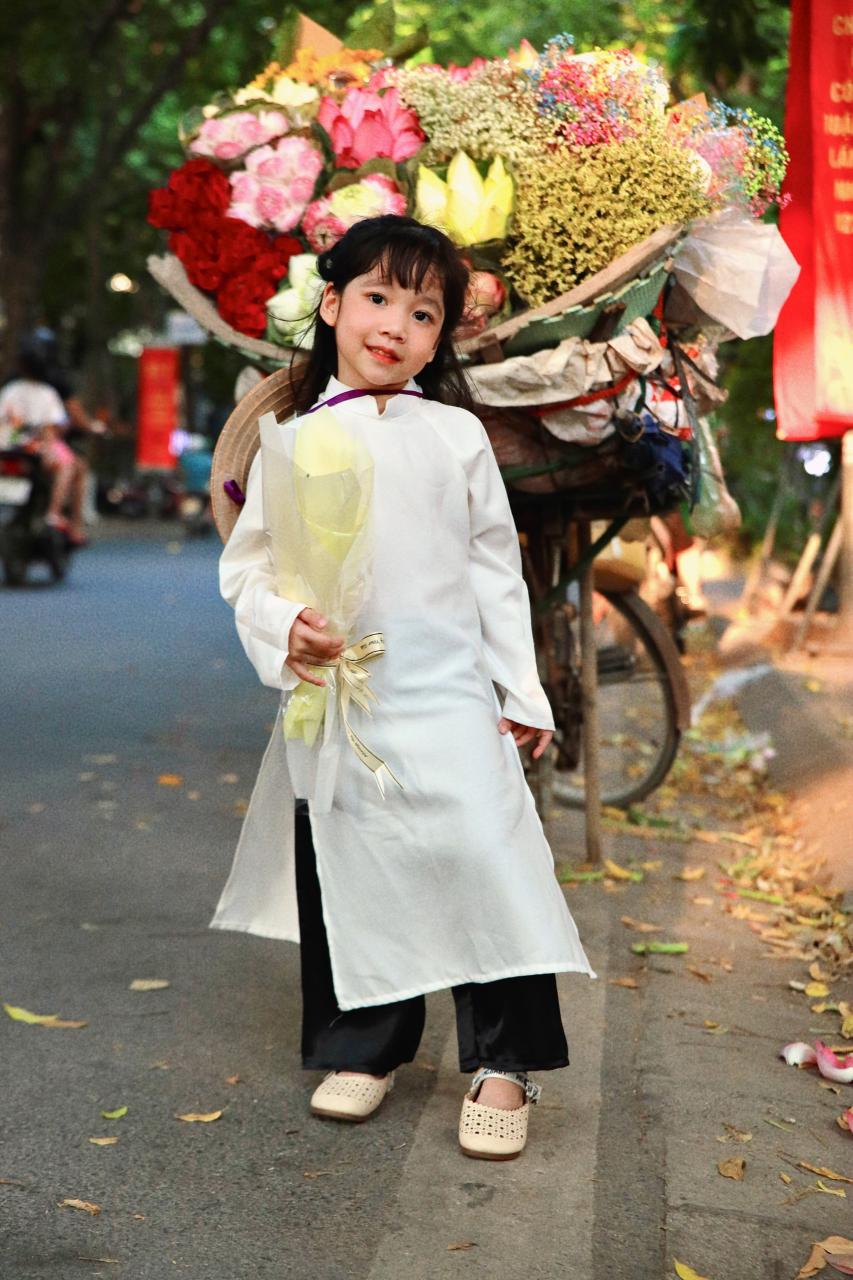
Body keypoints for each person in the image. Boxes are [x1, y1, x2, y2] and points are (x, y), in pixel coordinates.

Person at [210, 215, 595, 1161]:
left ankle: (505, 1064)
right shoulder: (290, 439)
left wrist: (519, 692)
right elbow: (247, 571)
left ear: (441, 337)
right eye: (377, 298)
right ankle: (364, 1048)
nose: (395, 325)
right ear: (332, 303)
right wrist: (285, 629)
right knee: (352, 858)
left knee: (484, 854)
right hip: (346, 691)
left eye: (422, 312)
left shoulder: (457, 435)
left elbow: (493, 569)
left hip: (451, 689)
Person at [0, 348, 87, 545]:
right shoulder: (47, 394)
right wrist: (49, 450)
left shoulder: (9, 391)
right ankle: (53, 512)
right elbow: (51, 427)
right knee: (69, 466)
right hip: (33, 450)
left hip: (7, 448)